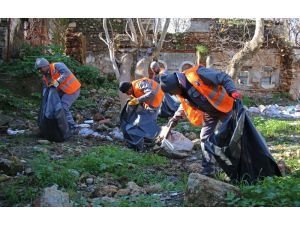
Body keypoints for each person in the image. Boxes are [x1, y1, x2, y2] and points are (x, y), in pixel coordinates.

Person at [160, 64, 242, 176]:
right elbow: (183, 105)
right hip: (210, 112)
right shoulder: (182, 90)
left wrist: (232, 91)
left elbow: (224, 77)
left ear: (176, 86)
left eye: (172, 92)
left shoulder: (197, 74)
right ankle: (208, 169)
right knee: (205, 138)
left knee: (230, 135)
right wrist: (175, 118)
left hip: (226, 107)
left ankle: (238, 165)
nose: (173, 95)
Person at [35, 58, 81, 132]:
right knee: (56, 107)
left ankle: (73, 126)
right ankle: (62, 126)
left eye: (40, 69)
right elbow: (46, 89)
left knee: (63, 107)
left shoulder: (57, 66)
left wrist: (56, 83)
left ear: (45, 66)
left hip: (73, 89)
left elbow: (66, 73)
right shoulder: (45, 77)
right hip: (63, 91)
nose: (40, 71)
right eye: (38, 69)